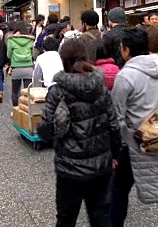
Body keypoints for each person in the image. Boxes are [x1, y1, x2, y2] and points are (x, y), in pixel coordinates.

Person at [36, 39, 121, 227]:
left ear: (63, 60)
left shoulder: (57, 91)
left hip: (69, 167)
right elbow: (114, 126)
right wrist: (115, 154)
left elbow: (45, 131)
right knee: (100, 214)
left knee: (66, 218)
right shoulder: (101, 88)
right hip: (101, 164)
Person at [111, 28, 158, 227]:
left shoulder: (125, 76)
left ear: (126, 50)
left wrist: (120, 145)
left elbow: (118, 117)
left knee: (118, 189)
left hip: (136, 144)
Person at [6, 24, 35, 107]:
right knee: (27, 92)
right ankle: (27, 111)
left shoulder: (11, 40)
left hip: (16, 68)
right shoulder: (30, 40)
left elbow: (9, 55)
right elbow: (33, 54)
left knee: (15, 92)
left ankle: (16, 110)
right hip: (28, 67)